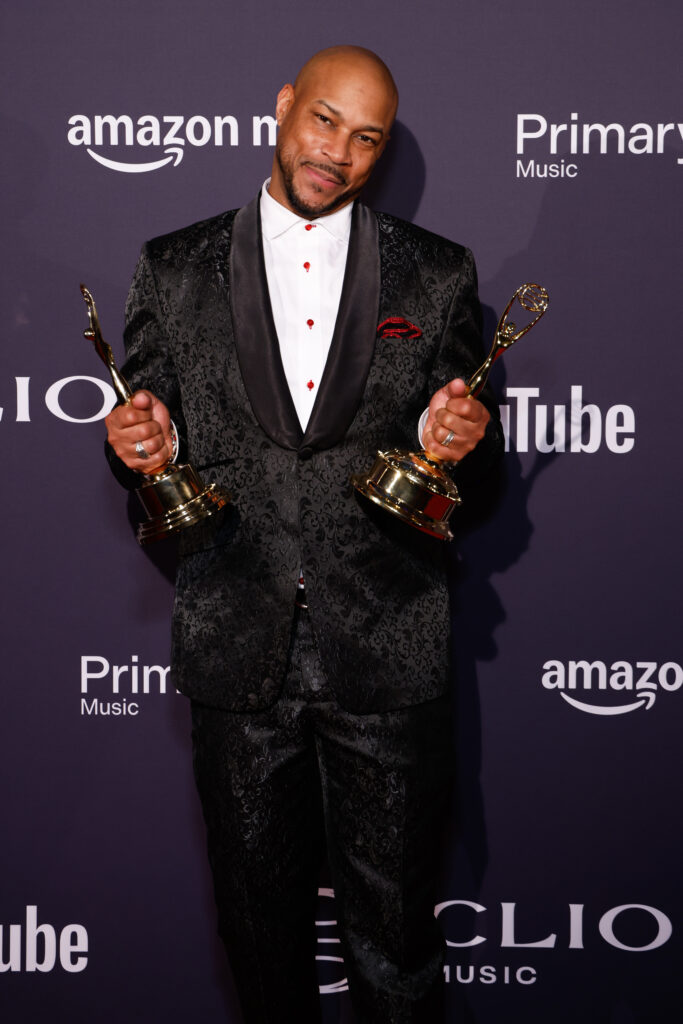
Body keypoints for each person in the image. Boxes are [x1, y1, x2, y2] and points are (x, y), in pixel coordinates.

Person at [105, 45, 503, 1024]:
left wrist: (460, 443)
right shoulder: (173, 266)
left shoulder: (437, 272)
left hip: (387, 645)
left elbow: (471, 475)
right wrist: (139, 446)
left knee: (396, 945)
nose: (337, 152)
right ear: (284, 107)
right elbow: (150, 444)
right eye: (324, 120)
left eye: (366, 138)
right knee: (258, 941)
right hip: (237, 645)